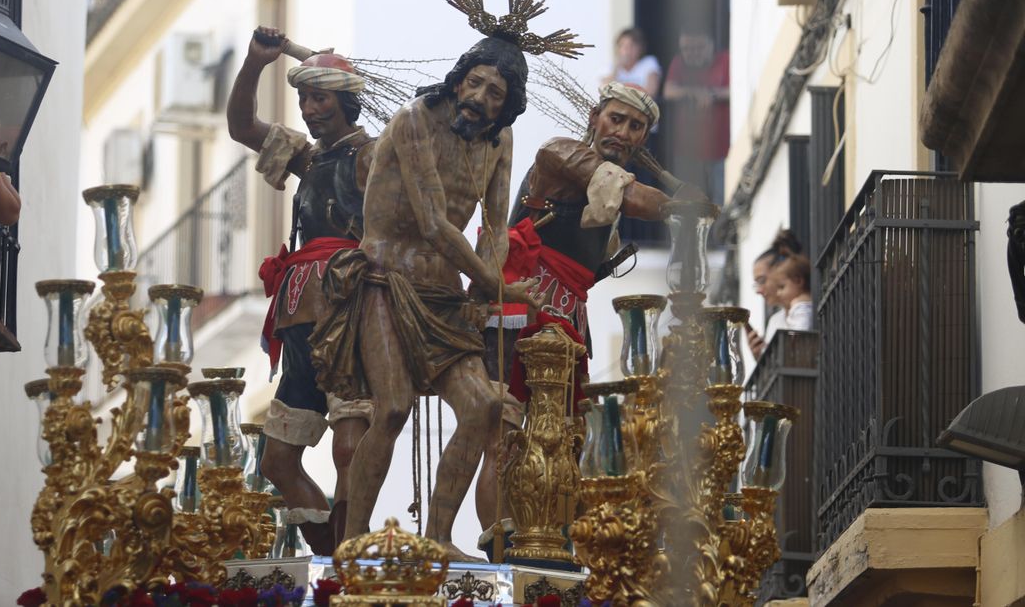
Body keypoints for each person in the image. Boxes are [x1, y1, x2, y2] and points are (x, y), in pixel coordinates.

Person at [309, 33, 543, 559]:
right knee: (391, 409)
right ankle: (353, 540)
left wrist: (492, 274)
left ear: (508, 105)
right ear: (459, 78)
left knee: (483, 407)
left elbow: (496, 224)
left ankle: (438, 539)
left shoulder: (500, 142)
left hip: (444, 292)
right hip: (385, 280)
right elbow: (435, 223)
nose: (480, 98)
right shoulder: (416, 118)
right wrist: (499, 288)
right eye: (475, 83)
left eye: (495, 93)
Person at [475, 82, 702, 541]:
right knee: (504, 432)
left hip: (569, 317)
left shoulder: (611, 186)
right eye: (615, 119)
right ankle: (498, 544)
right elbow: (637, 197)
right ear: (596, 116)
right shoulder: (562, 154)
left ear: (643, 138)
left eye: (635, 126)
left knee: (569, 440)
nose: (622, 131)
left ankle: (552, 539)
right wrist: (682, 204)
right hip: (521, 304)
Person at [226, 26, 374, 554]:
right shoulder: (307, 159)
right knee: (276, 461)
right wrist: (254, 63)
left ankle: (349, 554)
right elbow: (242, 124)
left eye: (320, 97)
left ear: (346, 102)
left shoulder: (373, 158)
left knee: (350, 441)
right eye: (304, 98)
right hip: (297, 316)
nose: (309, 109)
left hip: (346, 306)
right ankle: (333, 552)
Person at [662, 27, 729, 204]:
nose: (692, 54)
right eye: (687, 50)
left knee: (720, 202)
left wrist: (712, 95)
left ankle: (720, 233)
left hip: (721, 149)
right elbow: (669, 91)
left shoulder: (726, 60)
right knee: (688, 204)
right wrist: (695, 93)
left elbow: (736, 90)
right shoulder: (679, 63)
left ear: (710, 45)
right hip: (688, 149)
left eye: (698, 48)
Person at [745, 230, 802, 357]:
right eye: (757, 284)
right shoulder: (775, 322)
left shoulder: (806, 308)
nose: (758, 291)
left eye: (762, 281)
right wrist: (760, 358)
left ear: (781, 271)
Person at [604, 28, 661, 98]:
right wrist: (616, 68)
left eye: (631, 45)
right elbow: (605, 91)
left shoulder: (649, 62)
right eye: (623, 45)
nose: (627, 50)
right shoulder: (612, 66)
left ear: (640, 48)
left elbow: (651, 92)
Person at [771, 253, 813, 330]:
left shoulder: (800, 305)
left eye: (782, 287)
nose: (778, 293)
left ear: (798, 281)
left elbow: (800, 332)